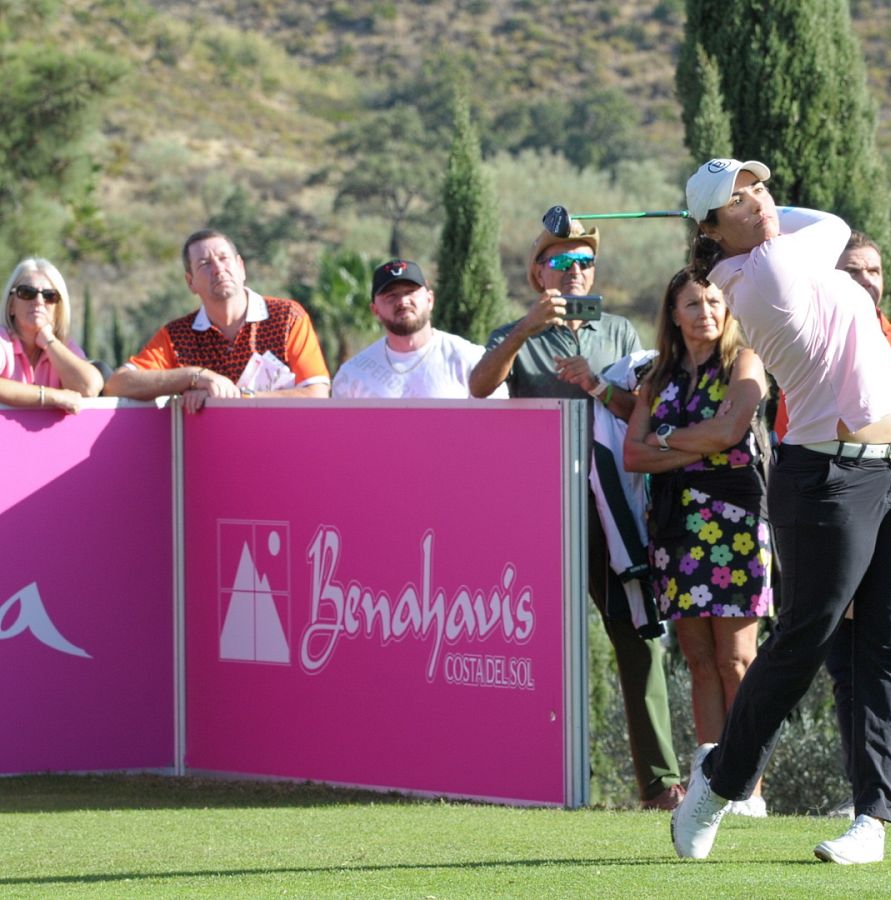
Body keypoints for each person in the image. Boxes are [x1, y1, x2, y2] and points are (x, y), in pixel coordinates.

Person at [671, 159, 891, 866]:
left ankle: (874, 818)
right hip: (829, 479)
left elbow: (830, 227)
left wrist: (734, 217)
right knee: (803, 642)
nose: (759, 202)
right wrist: (746, 227)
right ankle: (718, 784)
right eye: (738, 199)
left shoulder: (763, 252)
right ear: (712, 228)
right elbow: (827, 228)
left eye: (758, 188)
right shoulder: (762, 277)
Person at [469, 219, 684, 811]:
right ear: (538, 273)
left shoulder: (618, 331)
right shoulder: (514, 332)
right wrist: (525, 328)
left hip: (610, 508)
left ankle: (660, 784)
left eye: (584, 262)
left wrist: (598, 386)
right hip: (540, 509)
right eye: (562, 263)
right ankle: (529, 777)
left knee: (637, 633)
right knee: (533, 644)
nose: (575, 273)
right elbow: (480, 386)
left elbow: (643, 411)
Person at [774, 231, 891, 820]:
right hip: (832, 520)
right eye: (852, 270)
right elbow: (794, 435)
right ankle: (867, 795)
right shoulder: (812, 347)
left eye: (874, 270)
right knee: (845, 667)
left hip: (890, 515)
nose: (866, 280)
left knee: (890, 653)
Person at [622, 268, 773, 817]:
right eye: (692, 303)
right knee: (700, 659)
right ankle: (711, 789)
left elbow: (731, 431)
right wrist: (697, 446)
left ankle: (748, 791)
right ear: (673, 313)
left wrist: (664, 441)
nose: (705, 312)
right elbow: (632, 454)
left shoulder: (745, 362)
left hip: (735, 525)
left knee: (737, 660)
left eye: (714, 301)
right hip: (676, 529)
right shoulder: (656, 378)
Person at [104, 230, 330, 411]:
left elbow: (316, 393)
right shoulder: (177, 336)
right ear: (190, 282)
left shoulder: (287, 317)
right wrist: (195, 377)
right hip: (214, 453)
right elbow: (117, 384)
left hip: (286, 446)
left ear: (241, 268)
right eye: (204, 264)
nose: (218, 269)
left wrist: (234, 398)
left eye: (223, 258)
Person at [331, 259, 505, 399]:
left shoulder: (470, 359)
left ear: (430, 300)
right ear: (375, 310)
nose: (403, 301)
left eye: (410, 291)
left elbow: (494, 425)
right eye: (391, 296)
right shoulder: (354, 373)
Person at [0, 259, 103, 413]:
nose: (38, 301)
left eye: (50, 296)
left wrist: (49, 341)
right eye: (27, 292)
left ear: (58, 310)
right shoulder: (3, 341)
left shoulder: (63, 347)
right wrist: (52, 396)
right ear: (11, 306)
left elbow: (89, 387)